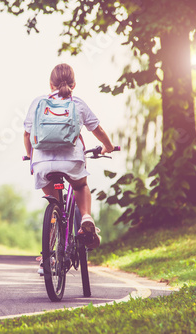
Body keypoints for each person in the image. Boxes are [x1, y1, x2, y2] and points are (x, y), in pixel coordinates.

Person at [24, 63, 115, 253]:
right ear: (74, 85)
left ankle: (47, 256)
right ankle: (86, 218)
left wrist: (29, 154)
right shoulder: (77, 103)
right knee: (80, 186)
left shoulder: (38, 103)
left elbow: (27, 135)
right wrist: (108, 146)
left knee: (53, 205)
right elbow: (97, 129)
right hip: (72, 161)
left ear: (50, 84)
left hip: (43, 164)